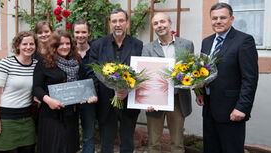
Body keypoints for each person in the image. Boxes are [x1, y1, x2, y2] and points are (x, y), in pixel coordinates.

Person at [196, 3, 258, 153]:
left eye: (222, 17)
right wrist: (200, 93)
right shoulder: (207, 42)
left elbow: (250, 78)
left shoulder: (244, 41)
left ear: (231, 19)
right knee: (211, 149)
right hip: (209, 108)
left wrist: (242, 107)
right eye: (214, 18)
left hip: (232, 110)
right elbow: (202, 72)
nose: (218, 21)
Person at [33, 30, 97, 153]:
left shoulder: (76, 61)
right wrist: (48, 100)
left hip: (70, 114)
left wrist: (88, 96)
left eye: (67, 43)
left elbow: (82, 83)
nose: (65, 47)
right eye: (60, 44)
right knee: (54, 147)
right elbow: (36, 88)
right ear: (54, 46)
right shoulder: (44, 62)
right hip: (51, 115)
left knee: (68, 147)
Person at [88, 8, 143, 153]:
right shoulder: (98, 45)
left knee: (127, 141)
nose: (118, 24)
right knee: (106, 143)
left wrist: (127, 90)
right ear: (110, 23)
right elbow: (93, 72)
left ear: (127, 23)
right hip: (106, 102)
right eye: (114, 21)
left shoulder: (138, 45)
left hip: (129, 101)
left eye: (121, 20)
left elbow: (141, 72)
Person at [142, 13, 194, 153]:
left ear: (170, 24)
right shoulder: (147, 48)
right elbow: (145, 77)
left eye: (162, 22)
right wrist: (146, 100)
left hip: (178, 98)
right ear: (153, 27)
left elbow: (192, 71)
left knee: (177, 142)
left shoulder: (187, 45)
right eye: (156, 23)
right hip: (156, 100)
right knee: (153, 142)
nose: (160, 25)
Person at [0, 31, 38, 153]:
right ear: (17, 46)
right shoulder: (6, 63)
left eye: (32, 44)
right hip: (6, 119)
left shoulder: (36, 65)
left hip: (27, 119)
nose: (28, 47)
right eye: (24, 44)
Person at [72, 19, 96, 153]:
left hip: (90, 98)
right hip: (71, 97)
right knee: (71, 131)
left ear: (89, 33)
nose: (80, 35)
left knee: (89, 132)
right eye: (77, 32)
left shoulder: (96, 51)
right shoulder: (68, 51)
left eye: (83, 32)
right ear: (73, 33)